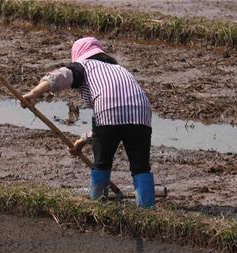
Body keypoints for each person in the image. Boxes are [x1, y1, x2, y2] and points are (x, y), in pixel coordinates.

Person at [22, 37, 156, 208]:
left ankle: (97, 204)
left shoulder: (83, 66)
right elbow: (116, 122)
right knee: (141, 166)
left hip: (108, 113)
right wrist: (82, 141)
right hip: (141, 114)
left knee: (102, 163)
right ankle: (147, 209)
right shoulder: (119, 69)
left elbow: (61, 76)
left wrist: (34, 93)